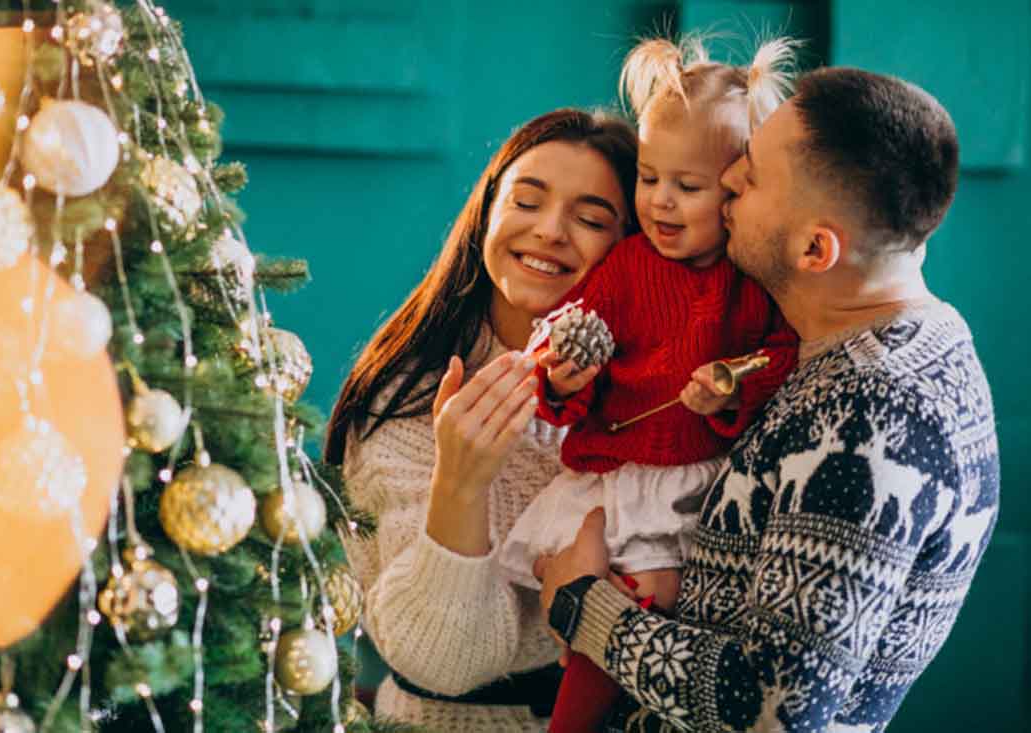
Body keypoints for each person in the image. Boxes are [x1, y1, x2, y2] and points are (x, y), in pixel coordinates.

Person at [534, 67, 1000, 733]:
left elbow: (774, 709)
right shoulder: (918, 339)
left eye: (749, 175)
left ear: (816, 248)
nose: (726, 182)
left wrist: (582, 604)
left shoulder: (867, 419)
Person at [497, 36, 800, 733]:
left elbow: (782, 354)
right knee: (608, 608)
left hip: (700, 484)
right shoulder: (628, 266)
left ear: (736, 189)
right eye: (649, 178)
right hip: (622, 475)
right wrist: (564, 377)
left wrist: (733, 388)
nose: (660, 202)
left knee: (659, 612)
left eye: (687, 187)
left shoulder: (751, 280)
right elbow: (569, 346)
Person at [323, 108, 638, 731]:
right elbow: (441, 662)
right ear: (487, 212)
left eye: (591, 219)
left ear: (632, 248)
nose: (550, 231)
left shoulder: (653, 398)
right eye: (527, 201)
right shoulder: (406, 395)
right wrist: (460, 482)